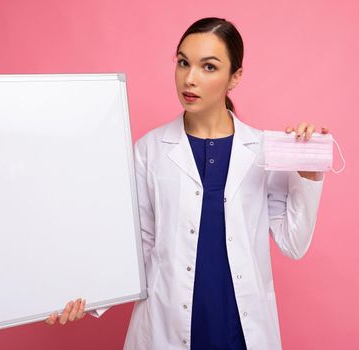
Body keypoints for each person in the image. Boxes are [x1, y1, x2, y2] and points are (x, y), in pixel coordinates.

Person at [46, 17, 328, 350]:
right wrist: (81, 296)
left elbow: (293, 244)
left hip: (240, 329)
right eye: (183, 63)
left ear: (234, 77)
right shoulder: (149, 150)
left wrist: (307, 172)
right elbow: (139, 245)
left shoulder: (264, 150)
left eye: (208, 67)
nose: (189, 78)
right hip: (167, 324)